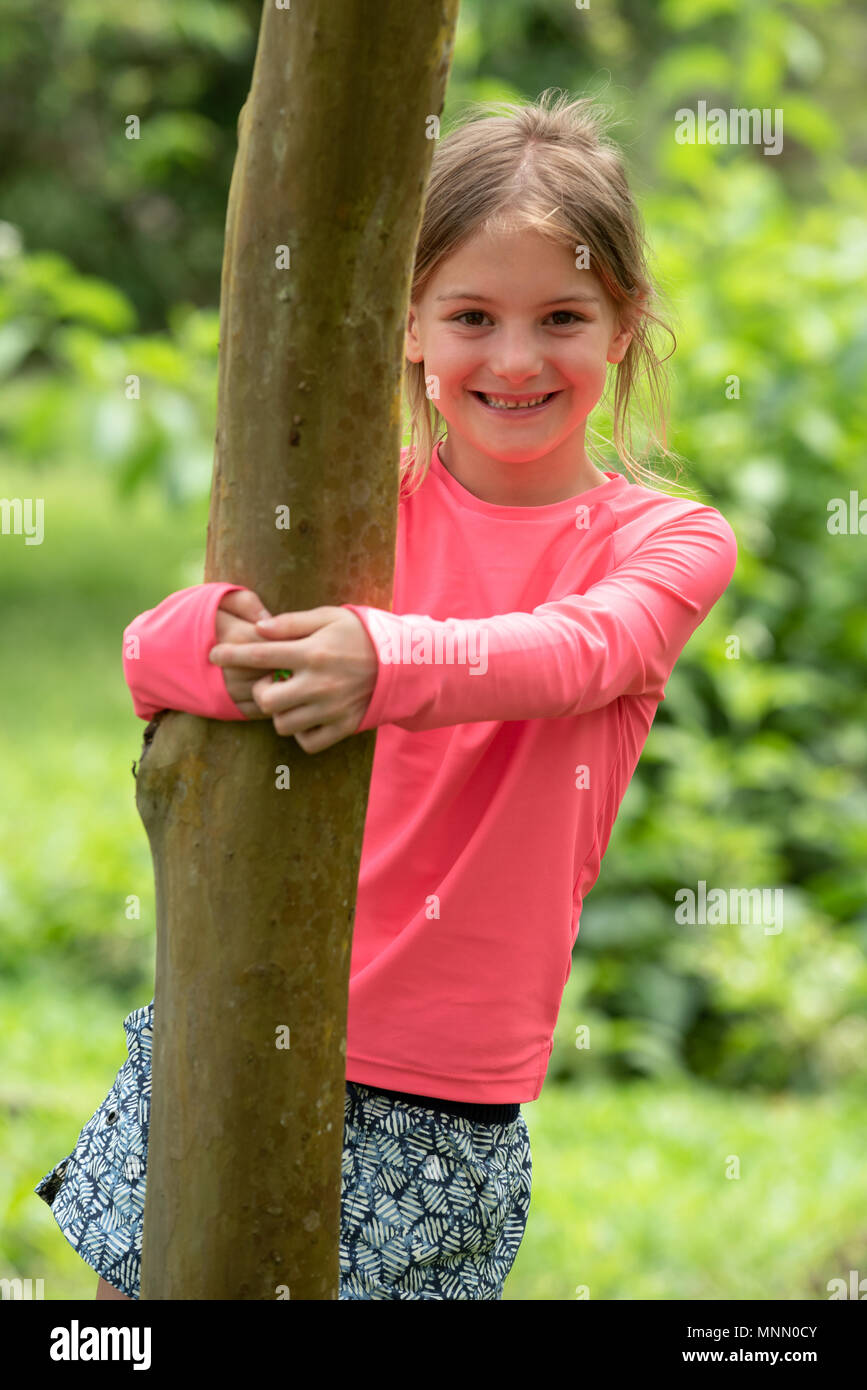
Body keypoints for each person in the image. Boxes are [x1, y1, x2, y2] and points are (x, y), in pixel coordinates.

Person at [34, 89, 737, 1301]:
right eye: (472, 315)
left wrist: (380, 661)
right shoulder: (357, 509)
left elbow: (582, 649)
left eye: (561, 316)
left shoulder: (661, 542)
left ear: (623, 326)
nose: (515, 360)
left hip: (442, 1095)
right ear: (409, 324)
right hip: (230, 1027)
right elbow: (156, 653)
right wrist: (220, 640)